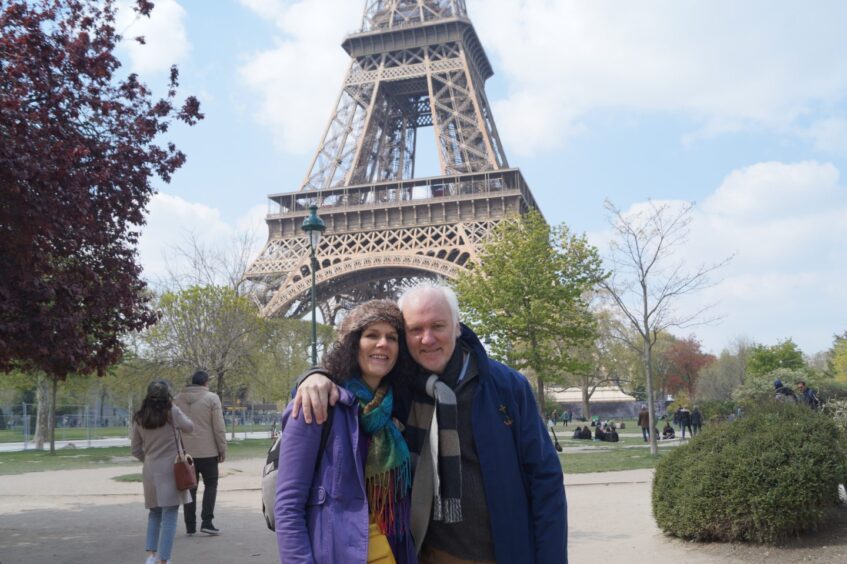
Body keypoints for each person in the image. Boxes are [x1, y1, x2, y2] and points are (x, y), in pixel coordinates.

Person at [293, 284, 567, 563]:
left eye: (437, 326)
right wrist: (314, 375)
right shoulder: (397, 390)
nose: (427, 339)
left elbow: (545, 481)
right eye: (415, 330)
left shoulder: (506, 386)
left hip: (503, 553)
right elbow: (350, 375)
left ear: (457, 327)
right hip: (426, 555)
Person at [275, 300, 417, 563]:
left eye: (392, 337)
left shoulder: (399, 406)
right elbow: (287, 506)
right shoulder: (317, 403)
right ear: (352, 343)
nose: (383, 344)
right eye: (371, 335)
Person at [131, 381, 194, 564]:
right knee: (170, 516)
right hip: (171, 470)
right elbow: (190, 427)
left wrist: (148, 460)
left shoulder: (139, 417)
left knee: (154, 513)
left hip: (150, 470)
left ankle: (151, 556)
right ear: (168, 395)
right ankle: (164, 560)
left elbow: (135, 449)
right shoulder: (172, 412)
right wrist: (175, 408)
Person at [173, 370, 227, 536]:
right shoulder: (212, 398)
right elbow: (218, 427)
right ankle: (207, 521)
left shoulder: (176, 399)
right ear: (205, 383)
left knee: (190, 487)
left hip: (186, 452)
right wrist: (222, 448)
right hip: (208, 450)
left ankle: (190, 525)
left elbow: (174, 427)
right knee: (211, 485)